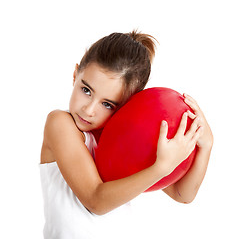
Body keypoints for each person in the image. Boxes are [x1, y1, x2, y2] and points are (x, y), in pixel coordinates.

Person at [40, 30, 213, 238]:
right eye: (86, 90)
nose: (89, 109)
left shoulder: (121, 138)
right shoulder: (60, 123)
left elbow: (182, 193)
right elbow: (95, 200)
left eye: (107, 104)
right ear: (75, 74)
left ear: (126, 106)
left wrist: (206, 146)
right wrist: (160, 167)